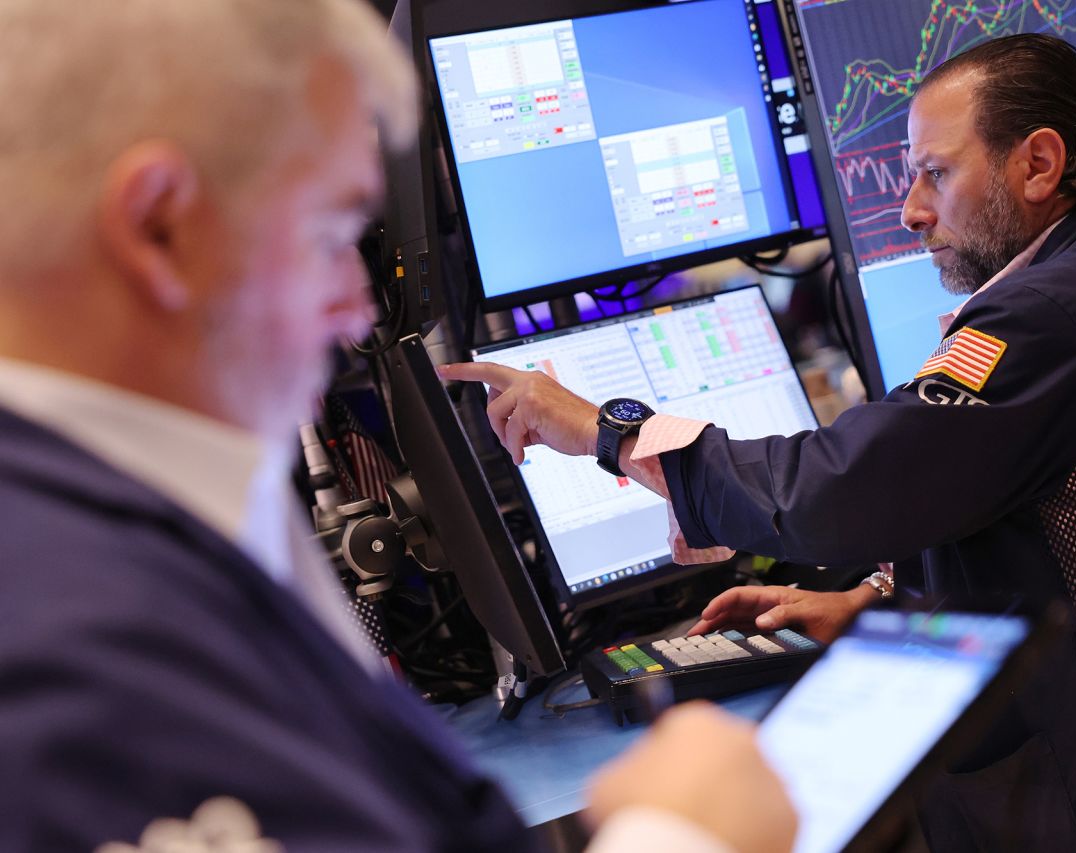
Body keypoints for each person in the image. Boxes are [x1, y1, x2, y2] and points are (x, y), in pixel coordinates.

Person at [444, 34, 1076, 852]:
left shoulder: (1048, 314)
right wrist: (876, 601)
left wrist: (608, 430)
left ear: (1038, 163)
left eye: (936, 173)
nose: (913, 208)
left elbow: (836, 494)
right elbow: (1042, 514)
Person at [0, 2, 797, 851]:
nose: (355, 307)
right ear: (160, 225)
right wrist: (680, 834)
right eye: (333, 232)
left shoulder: (175, 520)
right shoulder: (71, 633)